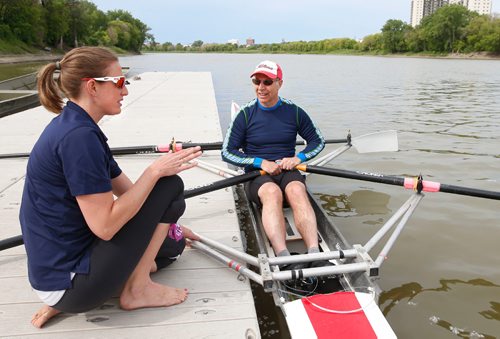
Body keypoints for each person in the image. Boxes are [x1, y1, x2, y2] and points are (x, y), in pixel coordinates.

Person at [19, 46, 202, 328]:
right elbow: (105, 227)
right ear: (92, 87)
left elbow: (130, 195)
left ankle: (120, 282)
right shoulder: (79, 139)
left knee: (172, 244)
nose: (125, 91)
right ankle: (137, 289)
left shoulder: (75, 125)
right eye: (118, 82)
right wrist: (154, 172)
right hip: (71, 284)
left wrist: (167, 224)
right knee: (170, 185)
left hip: (59, 274)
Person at [221, 60, 327, 270]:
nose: (261, 87)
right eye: (256, 81)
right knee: (272, 193)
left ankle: (315, 253)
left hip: (287, 169)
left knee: (297, 189)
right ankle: (283, 257)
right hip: (257, 175)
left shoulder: (294, 112)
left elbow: (317, 141)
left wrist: (299, 158)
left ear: (280, 83)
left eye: (267, 82)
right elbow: (227, 152)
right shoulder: (244, 114)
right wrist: (260, 162)